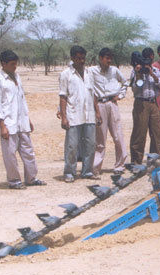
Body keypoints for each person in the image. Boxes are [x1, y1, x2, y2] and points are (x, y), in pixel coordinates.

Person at [0, 50, 46, 189]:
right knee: (10, 155)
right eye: (12, 64)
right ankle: (14, 181)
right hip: (9, 124)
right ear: (4, 63)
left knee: (28, 152)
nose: (15, 67)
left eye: (16, 64)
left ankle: (31, 178)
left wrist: (28, 119)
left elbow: (22, 100)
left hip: (22, 122)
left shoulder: (17, 77)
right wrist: (2, 126)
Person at [59, 45, 102, 183]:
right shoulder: (66, 74)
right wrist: (64, 117)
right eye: (78, 58)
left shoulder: (89, 73)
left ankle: (87, 171)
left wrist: (97, 112)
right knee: (72, 145)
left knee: (90, 144)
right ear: (72, 58)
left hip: (89, 115)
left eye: (83, 58)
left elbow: (93, 94)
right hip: (73, 115)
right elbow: (63, 96)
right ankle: (69, 172)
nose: (81, 61)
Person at [89, 48, 128, 175]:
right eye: (107, 58)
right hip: (99, 105)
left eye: (111, 58)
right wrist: (96, 111)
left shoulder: (114, 70)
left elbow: (125, 83)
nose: (109, 61)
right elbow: (90, 90)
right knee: (100, 139)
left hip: (112, 104)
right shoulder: (92, 71)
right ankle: (95, 168)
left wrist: (120, 96)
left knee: (118, 136)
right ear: (100, 58)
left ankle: (120, 165)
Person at [129, 47, 160, 164]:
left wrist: (152, 74)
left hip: (153, 103)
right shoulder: (135, 71)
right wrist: (139, 74)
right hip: (141, 103)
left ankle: (155, 160)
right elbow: (135, 88)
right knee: (139, 132)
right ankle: (136, 161)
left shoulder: (155, 70)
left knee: (156, 133)